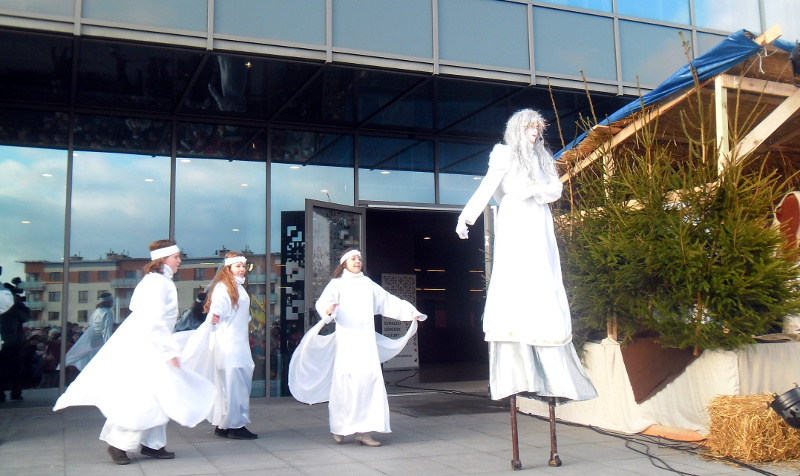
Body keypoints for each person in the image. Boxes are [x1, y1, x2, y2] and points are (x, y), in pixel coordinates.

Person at [455, 109, 597, 466]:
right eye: (530, 127)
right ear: (518, 129)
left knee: (544, 272)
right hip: (516, 221)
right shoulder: (504, 154)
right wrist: (467, 216)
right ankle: (517, 324)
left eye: (539, 127)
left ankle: (543, 323)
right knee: (515, 272)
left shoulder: (543, 158)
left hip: (538, 222)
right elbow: (489, 186)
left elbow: (554, 189)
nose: (535, 132)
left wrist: (534, 189)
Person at [53, 240, 215, 466]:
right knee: (142, 397)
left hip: (153, 346)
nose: (180, 260)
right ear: (164, 259)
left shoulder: (158, 281)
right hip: (149, 349)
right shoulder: (157, 283)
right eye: (176, 257)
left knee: (160, 396)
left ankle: (152, 444)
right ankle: (119, 444)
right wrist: (168, 351)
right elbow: (154, 321)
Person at [288, 249, 426, 447]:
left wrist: (410, 312)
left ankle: (364, 431)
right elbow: (324, 303)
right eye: (353, 258)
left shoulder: (368, 284)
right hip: (347, 342)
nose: (357, 261)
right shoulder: (337, 284)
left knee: (368, 382)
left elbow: (388, 301)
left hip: (366, 343)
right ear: (344, 263)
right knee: (345, 385)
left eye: (359, 258)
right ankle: (340, 428)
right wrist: (327, 309)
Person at [182, 253, 257, 440]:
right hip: (231, 346)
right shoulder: (225, 287)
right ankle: (236, 425)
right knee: (236, 386)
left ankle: (224, 424)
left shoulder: (237, 287)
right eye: (237, 266)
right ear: (228, 268)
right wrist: (215, 315)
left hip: (235, 344)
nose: (242, 269)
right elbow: (219, 306)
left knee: (229, 386)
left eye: (243, 266)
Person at [64, 292, 115, 371]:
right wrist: (108, 344)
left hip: (92, 337)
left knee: (90, 356)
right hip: (100, 339)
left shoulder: (97, 311)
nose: (113, 302)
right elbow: (106, 330)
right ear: (108, 301)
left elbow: (91, 323)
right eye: (111, 300)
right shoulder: (107, 312)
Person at [0, 279, 29, 402]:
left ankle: (2, 394)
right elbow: (26, 315)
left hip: (8, 341)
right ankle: (16, 393)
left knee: (4, 369)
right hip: (15, 342)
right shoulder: (15, 309)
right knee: (15, 369)